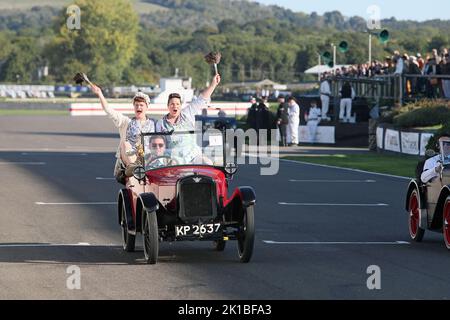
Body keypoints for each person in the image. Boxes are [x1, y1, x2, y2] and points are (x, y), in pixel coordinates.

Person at [90, 85, 155, 183]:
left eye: (141, 105)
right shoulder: (125, 122)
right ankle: (136, 170)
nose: (138, 107)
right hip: (130, 159)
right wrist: (100, 93)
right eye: (136, 105)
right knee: (125, 144)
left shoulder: (154, 124)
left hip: (148, 159)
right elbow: (109, 111)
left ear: (147, 107)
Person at [156, 73, 221, 133]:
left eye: (177, 104)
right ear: (168, 106)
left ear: (181, 106)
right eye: (172, 104)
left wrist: (213, 84)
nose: (175, 106)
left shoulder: (187, 113)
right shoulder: (161, 123)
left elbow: (201, 100)